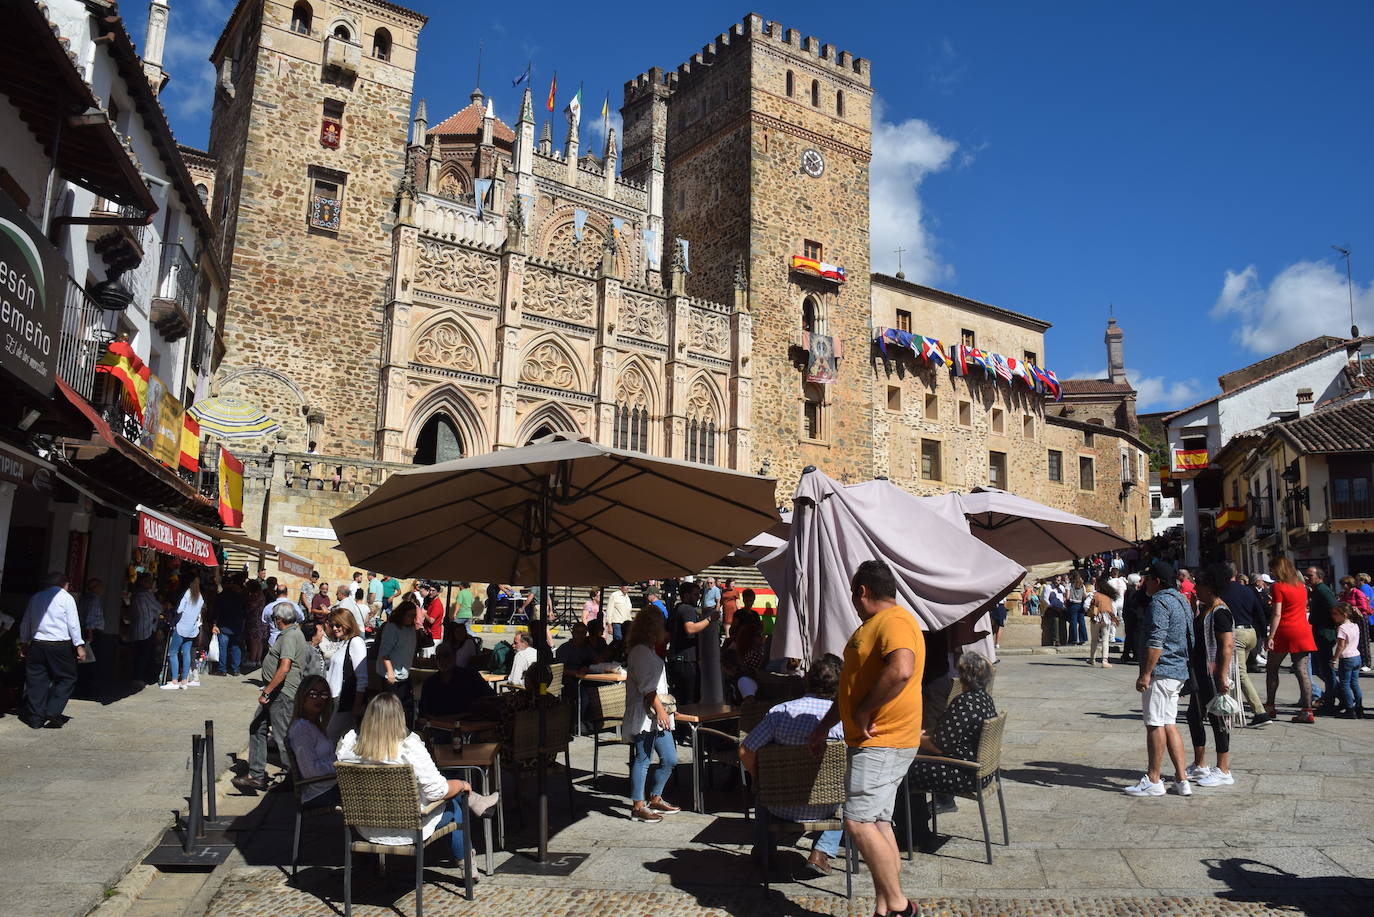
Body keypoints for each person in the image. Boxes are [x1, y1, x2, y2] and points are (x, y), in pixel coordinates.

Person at [809, 560, 923, 917]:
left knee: (857, 822)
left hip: (882, 740)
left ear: (862, 591)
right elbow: (851, 687)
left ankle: (901, 907)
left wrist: (862, 712)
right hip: (878, 741)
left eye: (853, 594)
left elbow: (901, 669)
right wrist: (827, 723)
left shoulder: (894, 621)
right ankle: (885, 907)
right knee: (877, 822)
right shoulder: (878, 625)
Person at [337, 693, 498, 863]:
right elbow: (437, 791)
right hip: (410, 827)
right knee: (455, 804)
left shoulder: (349, 750)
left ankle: (477, 802)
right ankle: (466, 862)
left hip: (367, 827)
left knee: (450, 794)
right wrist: (461, 784)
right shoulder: (408, 748)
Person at [739, 653, 845, 874]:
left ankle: (763, 852)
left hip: (780, 805)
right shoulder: (843, 720)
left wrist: (759, 778)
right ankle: (821, 852)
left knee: (762, 792)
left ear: (806, 680)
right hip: (827, 805)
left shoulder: (780, 713)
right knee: (850, 792)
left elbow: (745, 750)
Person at [908, 652, 998, 843]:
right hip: (982, 772)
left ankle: (914, 834)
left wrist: (915, 736)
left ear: (964, 676)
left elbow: (939, 746)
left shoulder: (964, 702)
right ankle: (917, 827)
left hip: (963, 773)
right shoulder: (984, 699)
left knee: (904, 770)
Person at [1125, 560, 1193, 798]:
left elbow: (1156, 641)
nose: (1143, 583)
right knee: (1169, 723)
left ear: (1157, 581)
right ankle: (1182, 779)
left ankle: (1154, 778)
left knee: (1154, 724)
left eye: (1147, 579)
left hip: (1162, 670)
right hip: (1178, 669)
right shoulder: (1181, 599)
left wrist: (1145, 674)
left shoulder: (1159, 602)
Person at [235, 601, 313, 792]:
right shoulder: (292, 633)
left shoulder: (289, 636)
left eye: (274, 619)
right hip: (277, 693)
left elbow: (285, 667)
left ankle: (295, 780)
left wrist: (267, 691)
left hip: (281, 694)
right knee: (257, 727)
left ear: (279, 619)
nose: (273, 622)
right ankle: (256, 775)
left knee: (283, 737)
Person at [1184, 564, 1242, 788]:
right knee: (1193, 716)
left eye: (1199, 585)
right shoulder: (1206, 609)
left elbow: (1227, 645)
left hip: (1212, 674)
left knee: (1218, 719)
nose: (1195, 588)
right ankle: (1200, 764)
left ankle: (1223, 769)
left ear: (1209, 587)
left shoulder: (1220, 612)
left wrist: (1222, 675)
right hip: (1200, 673)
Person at [621, 607, 680, 823]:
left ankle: (655, 797)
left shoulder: (648, 650)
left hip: (656, 712)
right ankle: (638, 805)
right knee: (643, 758)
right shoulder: (641, 652)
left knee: (670, 758)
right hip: (648, 713)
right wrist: (662, 710)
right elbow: (648, 687)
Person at [18, 573, 85, 729]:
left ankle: (36, 719)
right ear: (64, 584)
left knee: (36, 681)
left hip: (37, 644)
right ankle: (53, 710)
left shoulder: (36, 597)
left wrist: (23, 642)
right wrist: (79, 645)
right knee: (68, 677)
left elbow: (26, 620)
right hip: (59, 645)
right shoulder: (66, 598)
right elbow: (73, 623)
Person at [1264, 556, 1316, 723]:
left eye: (1272, 569)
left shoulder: (1277, 587)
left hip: (1285, 630)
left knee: (1272, 669)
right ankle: (1307, 710)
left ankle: (1270, 707)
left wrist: (1271, 636)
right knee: (1302, 671)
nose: (1271, 572)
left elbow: (1277, 613)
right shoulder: (1302, 586)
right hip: (1302, 629)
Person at [1219, 563, 1269, 725]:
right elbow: (1260, 613)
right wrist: (1265, 637)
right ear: (1237, 573)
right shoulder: (1248, 590)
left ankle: (1260, 712)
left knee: (1240, 674)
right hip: (1250, 633)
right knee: (1235, 672)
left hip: (1236, 634)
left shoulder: (1222, 591)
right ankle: (1232, 706)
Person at [287, 674, 341, 807]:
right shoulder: (302, 729)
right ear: (303, 696)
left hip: (329, 785)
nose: (319, 699)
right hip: (319, 793)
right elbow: (310, 771)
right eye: (313, 694)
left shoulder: (315, 724)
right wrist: (339, 767)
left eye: (323, 694)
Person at [418, 642, 497, 730]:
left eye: (446, 655)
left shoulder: (471, 677)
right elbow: (423, 712)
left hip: (468, 728)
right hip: (438, 728)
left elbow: (490, 697)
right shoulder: (430, 683)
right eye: (438, 656)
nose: (442, 660)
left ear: (454, 656)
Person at [325, 608, 369, 740]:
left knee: (330, 736)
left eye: (338, 625)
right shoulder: (342, 643)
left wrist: (356, 705)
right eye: (332, 625)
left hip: (344, 700)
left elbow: (362, 679)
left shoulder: (355, 642)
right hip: (334, 699)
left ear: (347, 623)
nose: (334, 628)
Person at [668, 581, 715, 705]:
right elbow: (690, 628)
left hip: (676, 658)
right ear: (686, 595)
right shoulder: (687, 609)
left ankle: (679, 723)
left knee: (679, 696)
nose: (698, 597)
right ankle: (687, 724)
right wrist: (710, 619)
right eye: (695, 594)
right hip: (686, 661)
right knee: (690, 698)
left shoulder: (677, 608)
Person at [377, 600, 420, 723]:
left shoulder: (411, 629)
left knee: (404, 709)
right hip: (392, 677)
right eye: (409, 615)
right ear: (402, 614)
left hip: (404, 675)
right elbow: (384, 653)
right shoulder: (392, 628)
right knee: (389, 712)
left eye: (413, 615)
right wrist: (390, 672)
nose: (412, 618)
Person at [1305, 566, 1340, 713]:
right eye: (1306, 576)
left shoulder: (1323, 590)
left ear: (1319, 577)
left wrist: (1337, 627)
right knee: (1320, 669)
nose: (1307, 578)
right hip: (1318, 634)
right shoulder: (1316, 591)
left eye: (1310, 576)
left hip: (1324, 635)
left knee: (1326, 669)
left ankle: (1333, 701)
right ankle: (1339, 696)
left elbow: (1335, 609)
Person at [165, 578, 205, 690]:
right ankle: (184, 680)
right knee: (186, 653)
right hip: (192, 630)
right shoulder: (200, 597)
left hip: (182, 627)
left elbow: (179, 610)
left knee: (173, 652)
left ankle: (174, 680)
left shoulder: (187, 593)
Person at [127, 574, 164, 686]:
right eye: (148, 581)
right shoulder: (146, 595)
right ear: (143, 582)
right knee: (144, 654)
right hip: (146, 629)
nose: (151, 584)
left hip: (137, 628)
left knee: (138, 654)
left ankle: (136, 676)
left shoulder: (135, 594)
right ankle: (139, 677)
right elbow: (158, 607)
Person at [1329, 603, 1364, 718]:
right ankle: (1359, 707)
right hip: (1356, 656)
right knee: (1354, 683)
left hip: (1347, 658)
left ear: (1344, 615)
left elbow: (1340, 646)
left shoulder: (1342, 628)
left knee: (1345, 684)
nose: (1333, 616)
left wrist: (1334, 659)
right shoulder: (1355, 625)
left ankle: (1350, 709)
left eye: (1335, 614)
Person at [214, 575, 247, 677]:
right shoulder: (239, 597)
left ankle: (222, 669)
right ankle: (236, 669)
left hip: (223, 625)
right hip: (237, 625)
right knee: (236, 648)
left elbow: (216, 612)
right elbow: (244, 610)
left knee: (222, 648)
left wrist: (214, 624)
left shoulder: (219, 597)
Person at [1087, 575, 1119, 667]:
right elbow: (1113, 609)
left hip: (1096, 617)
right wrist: (1114, 618)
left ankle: (1092, 659)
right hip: (1107, 618)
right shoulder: (1109, 597)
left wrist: (1091, 611)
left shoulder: (1094, 594)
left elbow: (1086, 605)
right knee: (1105, 640)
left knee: (1094, 639)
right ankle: (1104, 661)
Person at [1066, 571, 1088, 646]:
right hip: (1080, 604)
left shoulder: (1069, 585)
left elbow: (1067, 597)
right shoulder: (1082, 585)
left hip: (1073, 604)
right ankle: (1083, 639)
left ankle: (1074, 639)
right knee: (1082, 622)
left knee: (1073, 623)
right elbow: (1085, 595)